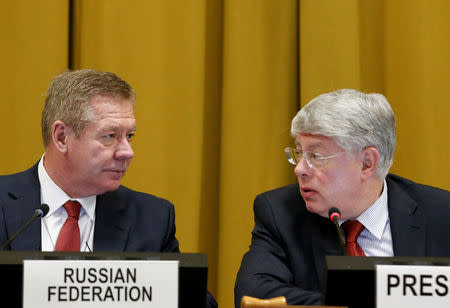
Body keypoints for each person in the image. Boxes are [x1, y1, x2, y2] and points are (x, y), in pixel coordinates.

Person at [0, 69, 217, 308]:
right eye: (110, 136)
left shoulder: (151, 218)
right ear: (62, 137)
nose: (127, 152)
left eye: (130, 136)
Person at [234, 89, 450, 307]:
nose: (300, 169)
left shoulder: (440, 214)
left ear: (367, 163)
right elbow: (254, 294)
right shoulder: (281, 212)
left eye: (316, 156)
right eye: (299, 153)